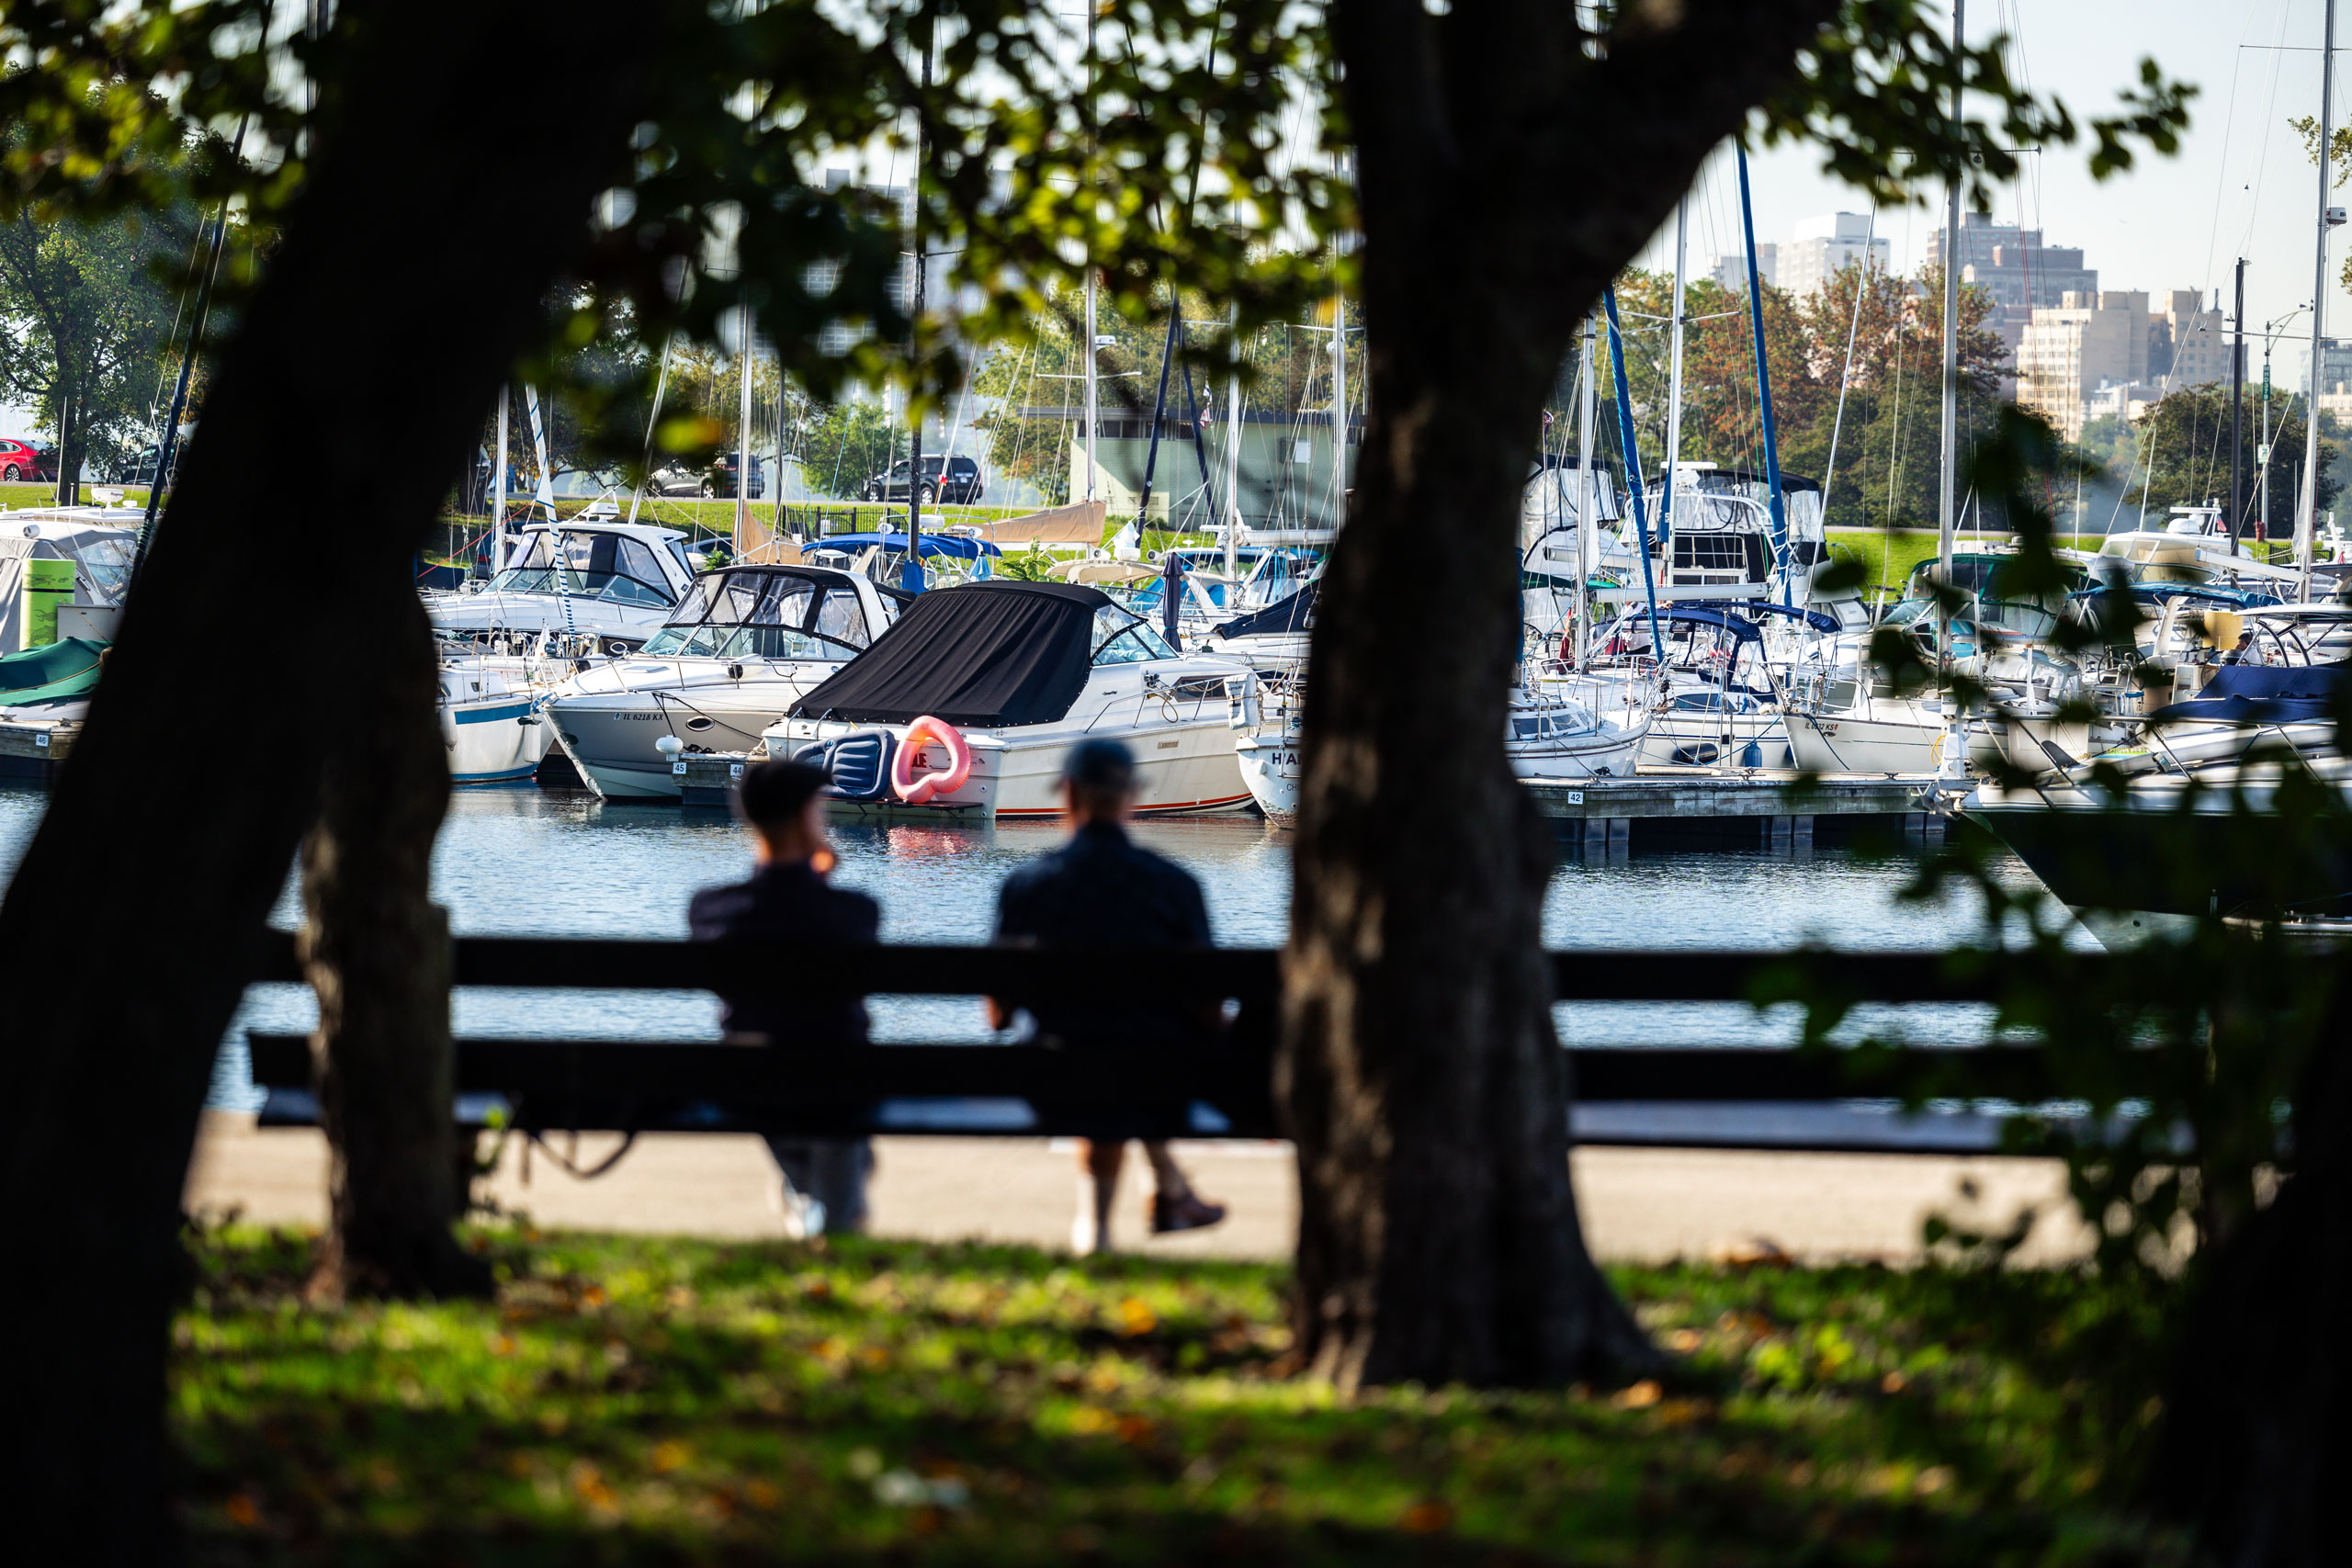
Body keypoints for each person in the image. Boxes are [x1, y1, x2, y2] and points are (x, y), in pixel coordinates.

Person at [989, 738, 1228, 1255]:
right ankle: (1163, 1194)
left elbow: (997, 1015)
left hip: (1051, 1074)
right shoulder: (1175, 886)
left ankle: (1102, 1228)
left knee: (1094, 1053)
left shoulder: (1026, 886)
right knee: (1132, 1055)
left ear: (1067, 793)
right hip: (1158, 1074)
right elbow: (1210, 1012)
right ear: (1132, 796)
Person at [688, 757, 876, 1238]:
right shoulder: (855, 912)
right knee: (836, 1109)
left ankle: (810, 1195)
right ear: (805, 818)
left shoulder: (710, 911)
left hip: (750, 1080)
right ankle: (834, 1217)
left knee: (792, 1096)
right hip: (840, 1078)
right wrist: (822, 877)